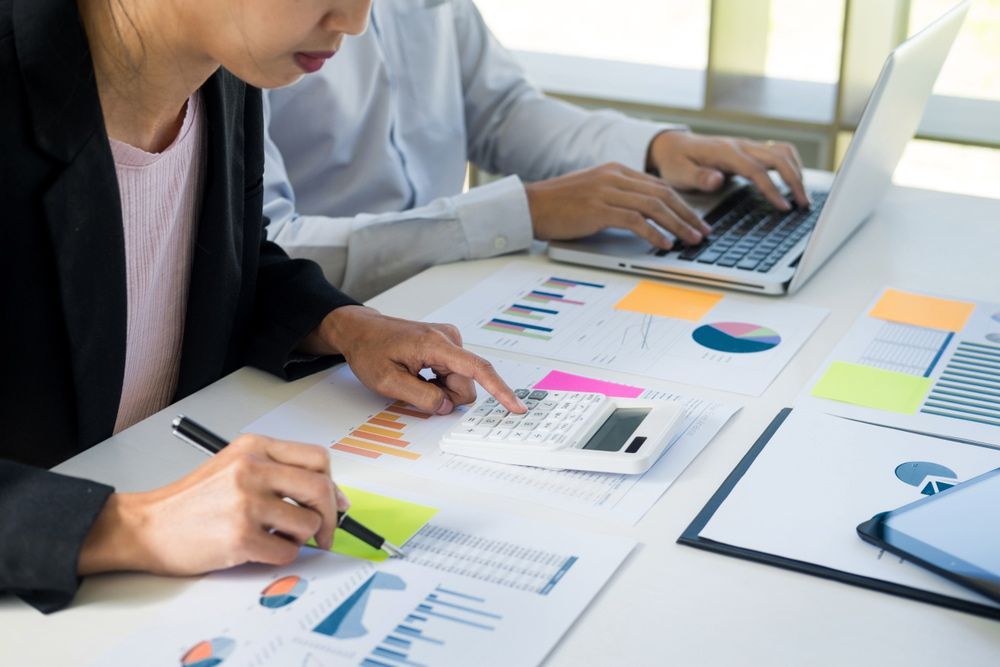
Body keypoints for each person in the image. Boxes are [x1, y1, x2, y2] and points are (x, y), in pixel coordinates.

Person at [0, 0, 523, 613]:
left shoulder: (222, 77)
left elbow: (203, 262)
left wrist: (346, 326)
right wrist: (134, 525)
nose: (355, 22)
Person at [263, 0, 810, 300]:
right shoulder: (251, 35)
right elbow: (269, 251)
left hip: (455, 288)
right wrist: (521, 211)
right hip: (323, 319)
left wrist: (655, 147)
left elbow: (501, 112)